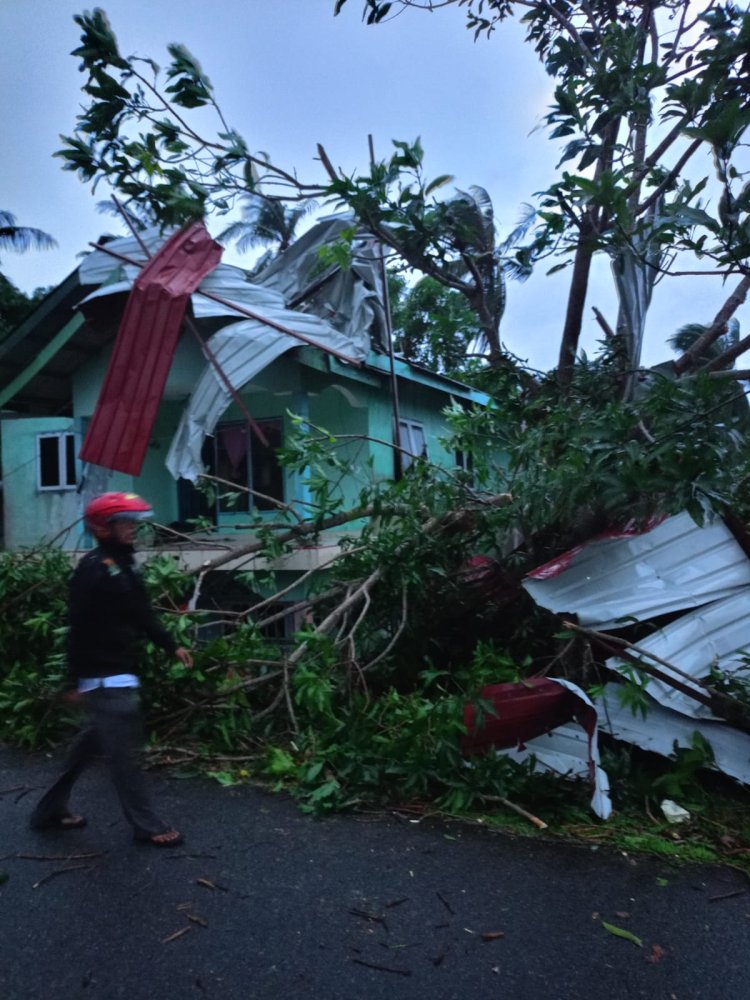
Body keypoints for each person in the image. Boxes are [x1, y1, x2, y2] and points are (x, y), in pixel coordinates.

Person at [30, 491, 193, 847]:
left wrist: (171, 645)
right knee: (123, 754)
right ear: (104, 528)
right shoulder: (93, 569)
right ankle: (147, 825)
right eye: (124, 522)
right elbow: (79, 626)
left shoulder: (123, 565)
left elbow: (141, 613)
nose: (132, 528)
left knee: (91, 743)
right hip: (103, 677)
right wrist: (75, 680)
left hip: (119, 669)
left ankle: (49, 810)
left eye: (133, 521)